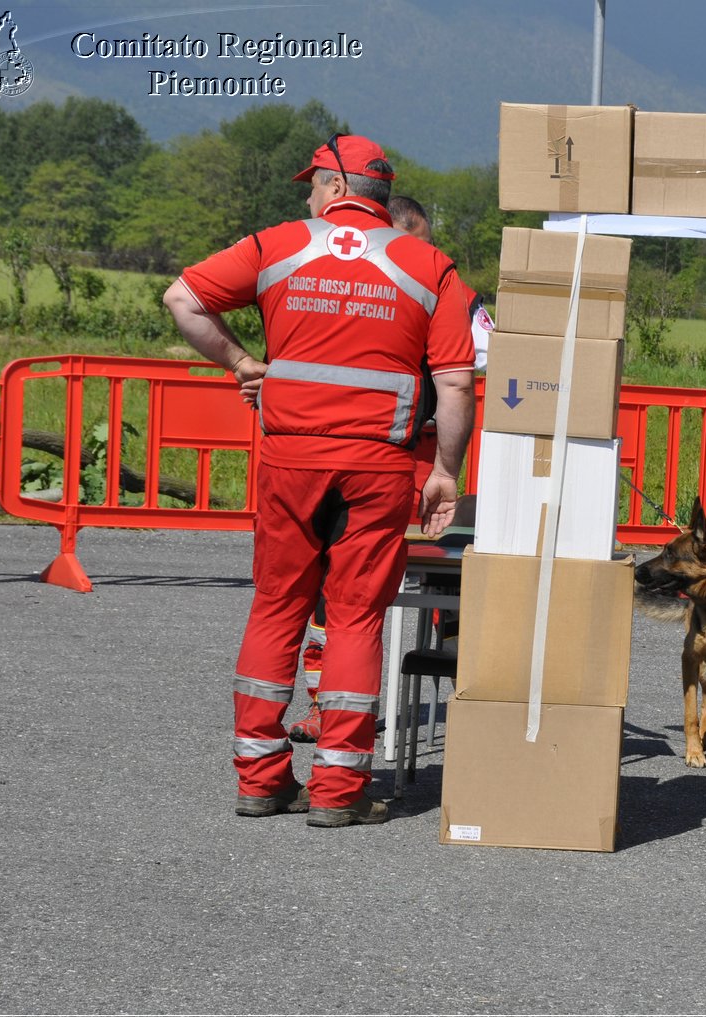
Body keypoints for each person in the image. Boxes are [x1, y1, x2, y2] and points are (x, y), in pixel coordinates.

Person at [163, 134, 476, 827]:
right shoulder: (431, 266)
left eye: (313, 183)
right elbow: (455, 381)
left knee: (277, 604)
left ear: (335, 189)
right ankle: (339, 791)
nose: (308, 193)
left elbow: (181, 297)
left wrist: (243, 363)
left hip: (290, 459)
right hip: (379, 464)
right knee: (357, 616)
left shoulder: (277, 245)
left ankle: (260, 778)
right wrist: (445, 472)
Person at [287, 193, 491, 743]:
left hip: (422, 457)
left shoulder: (454, 291)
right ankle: (323, 709)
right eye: (417, 245)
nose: (426, 258)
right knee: (336, 592)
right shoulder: (335, 278)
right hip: (353, 453)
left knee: (440, 581)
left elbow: (485, 356)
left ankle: (463, 694)